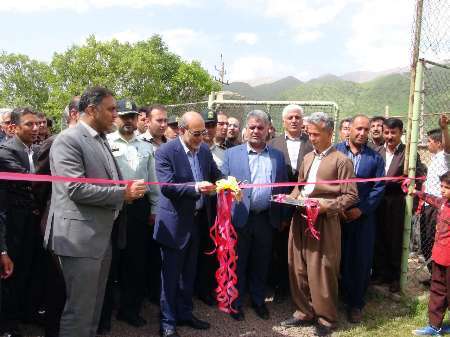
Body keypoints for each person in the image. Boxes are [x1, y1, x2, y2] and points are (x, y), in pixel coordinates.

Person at [44, 87, 147, 337]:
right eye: (111, 109)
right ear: (91, 110)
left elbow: (107, 181)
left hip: (99, 238)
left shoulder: (99, 138)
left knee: (93, 309)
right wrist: (122, 194)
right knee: (79, 312)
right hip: (78, 241)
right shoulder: (68, 140)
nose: (116, 114)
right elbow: (75, 188)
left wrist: (125, 189)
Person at [280, 112, 358, 336]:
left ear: (329, 133)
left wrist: (327, 207)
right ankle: (303, 311)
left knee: (322, 268)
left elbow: (351, 196)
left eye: (316, 134)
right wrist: (290, 198)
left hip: (324, 221)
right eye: (309, 133)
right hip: (300, 218)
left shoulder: (342, 161)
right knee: (298, 266)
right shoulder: (307, 158)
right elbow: (300, 186)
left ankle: (326, 318)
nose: (311, 138)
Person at [154, 111, 222, 337]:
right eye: (196, 133)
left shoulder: (203, 150)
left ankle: (185, 313)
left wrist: (229, 183)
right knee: (170, 277)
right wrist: (195, 188)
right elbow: (166, 187)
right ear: (182, 130)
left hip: (197, 222)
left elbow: (215, 174)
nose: (201, 137)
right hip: (174, 225)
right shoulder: (165, 152)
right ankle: (167, 322)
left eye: (203, 132)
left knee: (189, 274)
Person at [221, 110, 289, 321]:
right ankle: (236, 302)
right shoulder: (232, 154)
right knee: (238, 262)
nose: (256, 131)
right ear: (246, 129)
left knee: (262, 261)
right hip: (240, 217)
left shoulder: (277, 156)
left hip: (266, 219)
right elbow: (222, 185)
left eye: (261, 127)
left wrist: (283, 216)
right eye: (252, 127)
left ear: (268, 129)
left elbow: (283, 189)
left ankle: (258, 301)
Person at [107, 99, 159, 328]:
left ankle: (130, 309)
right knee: (109, 261)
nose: (128, 121)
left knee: (136, 261)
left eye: (132, 117)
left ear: (138, 119)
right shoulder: (105, 143)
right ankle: (104, 313)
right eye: (124, 116)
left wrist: (155, 208)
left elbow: (154, 182)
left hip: (138, 208)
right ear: (116, 117)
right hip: (111, 206)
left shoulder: (147, 147)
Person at [32, 97, 80, 337]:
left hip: (82, 226)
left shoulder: (96, 142)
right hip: (57, 224)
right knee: (57, 284)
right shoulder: (55, 142)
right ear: (74, 114)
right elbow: (39, 186)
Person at [336, 115, 385, 323]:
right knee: (336, 257)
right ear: (350, 129)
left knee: (361, 260)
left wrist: (361, 210)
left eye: (366, 130)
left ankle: (355, 303)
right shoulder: (336, 152)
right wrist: (337, 207)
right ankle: (334, 297)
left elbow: (378, 188)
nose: (362, 133)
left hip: (363, 218)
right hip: (336, 215)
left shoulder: (375, 159)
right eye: (359, 129)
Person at [372, 118, 426, 293]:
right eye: (386, 132)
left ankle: (395, 276)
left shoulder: (408, 154)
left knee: (395, 238)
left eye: (392, 133)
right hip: (378, 202)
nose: (389, 136)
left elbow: (416, 177)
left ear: (401, 133)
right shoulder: (377, 151)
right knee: (378, 236)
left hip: (397, 202)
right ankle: (380, 273)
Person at [0, 107, 40, 337]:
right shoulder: (5, 152)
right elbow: (31, 181)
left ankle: (24, 313)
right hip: (12, 224)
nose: (35, 129)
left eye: (37, 124)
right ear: (14, 127)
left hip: (29, 222)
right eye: (29, 124)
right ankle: (7, 326)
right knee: (10, 274)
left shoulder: (31, 150)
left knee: (26, 270)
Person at [268, 104, 313, 302]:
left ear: (303, 121)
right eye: (290, 118)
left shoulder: (312, 143)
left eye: (297, 117)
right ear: (283, 121)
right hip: (281, 203)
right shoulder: (272, 144)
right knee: (279, 246)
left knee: (304, 247)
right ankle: (281, 286)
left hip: (305, 202)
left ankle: (304, 289)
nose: (294, 120)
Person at [411, 171, 450, 336]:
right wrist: (416, 192)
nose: (442, 190)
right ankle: (435, 326)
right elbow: (430, 198)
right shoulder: (442, 203)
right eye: (442, 186)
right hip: (439, 257)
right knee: (437, 290)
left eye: (447, 187)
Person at [420, 128, 449, 274]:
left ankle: (438, 274)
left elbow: (448, 147)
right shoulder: (434, 159)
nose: (427, 144)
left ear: (438, 143)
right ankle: (433, 274)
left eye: (430, 141)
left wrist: (444, 129)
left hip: (436, 206)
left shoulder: (444, 157)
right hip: (427, 203)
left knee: (432, 239)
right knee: (425, 240)